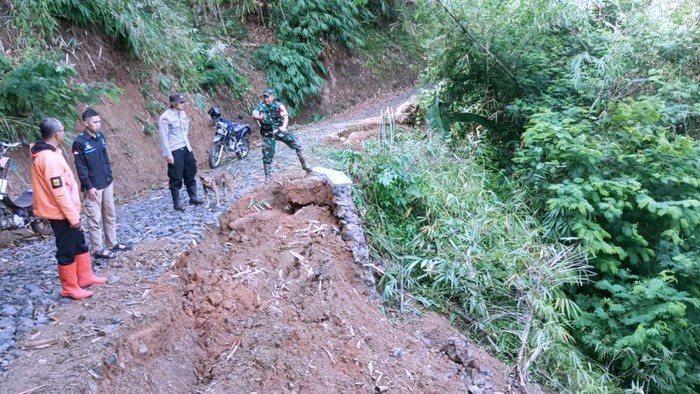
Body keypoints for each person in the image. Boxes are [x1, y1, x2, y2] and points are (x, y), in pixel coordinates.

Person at [31, 117, 106, 300]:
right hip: (60, 213)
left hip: (67, 210)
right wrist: (73, 217)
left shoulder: (52, 153)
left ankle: (85, 276)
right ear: (57, 133)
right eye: (63, 130)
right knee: (66, 248)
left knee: (79, 242)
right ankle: (69, 287)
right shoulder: (48, 158)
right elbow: (59, 192)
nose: (64, 133)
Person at [72, 108, 130, 259]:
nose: (98, 124)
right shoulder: (79, 143)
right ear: (85, 123)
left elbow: (105, 158)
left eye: (99, 121)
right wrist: (89, 186)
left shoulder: (100, 137)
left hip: (106, 182)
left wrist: (109, 176)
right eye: (94, 122)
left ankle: (112, 243)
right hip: (93, 187)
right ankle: (98, 249)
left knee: (110, 214)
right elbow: (81, 167)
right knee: (94, 218)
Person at [250, 89, 311, 183]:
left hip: (278, 130)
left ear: (273, 97)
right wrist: (260, 117)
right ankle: (268, 177)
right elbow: (254, 114)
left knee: (296, 143)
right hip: (268, 134)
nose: (266, 99)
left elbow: (285, 117)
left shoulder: (278, 106)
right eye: (265, 97)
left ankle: (305, 165)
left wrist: (283, 127)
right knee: (267, 155)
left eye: (268, 97)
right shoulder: (260, 106)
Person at [158, 93, 203, 211]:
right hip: (175, 149)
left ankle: (193, 197)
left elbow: (185, 129)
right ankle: (177, 204)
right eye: (181, 102)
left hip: (186, 146)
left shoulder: (182, 114)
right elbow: (164, 137)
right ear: (174, 104)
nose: (183, 104)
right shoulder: (165, 117)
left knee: (190, 172)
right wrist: (168, 154)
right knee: (176, 176)